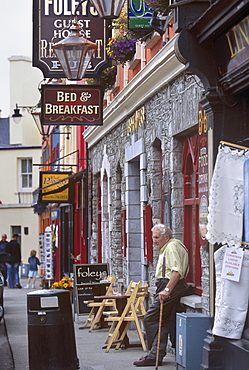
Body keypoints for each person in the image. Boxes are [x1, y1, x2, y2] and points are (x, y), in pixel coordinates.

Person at [133, 224, 189, 367]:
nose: (154, 240)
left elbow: (177, 272)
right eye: (153, 237)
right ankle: (155, 355)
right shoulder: (170, 246)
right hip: (168, 285)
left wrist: (167, 290)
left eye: (157, 237)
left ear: (167, 237)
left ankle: (154, 353)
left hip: (170, 286)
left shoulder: (171, 247)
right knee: (161, 321)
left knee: (151, 318)